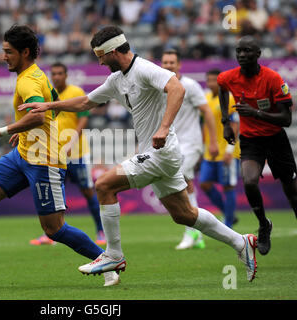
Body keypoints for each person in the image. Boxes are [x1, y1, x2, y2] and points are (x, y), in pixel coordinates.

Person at [19, 25, 258, 283]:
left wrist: (164, 127)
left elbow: (177, 88)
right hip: (158, 153)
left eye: (101, 55)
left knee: (104, 185)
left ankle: (113, 254)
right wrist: (48, 105)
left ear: (113, 51)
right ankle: (241, 242)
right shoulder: (116, 79)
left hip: (161, 152)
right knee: (184, 214)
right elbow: (86, 102)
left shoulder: (144, 68)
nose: (99, 61)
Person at [0, 25, 119, 288]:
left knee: (54, 230)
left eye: (8, 52)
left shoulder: (28, 80)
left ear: (24, 52)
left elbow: (40, 114)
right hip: (22, 154)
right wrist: (27, 134)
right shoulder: (36, 75)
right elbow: (51, 109)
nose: (4, 56)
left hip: (45, 162)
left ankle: (106, 260)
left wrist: (3, 130)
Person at [218, 36, 297, 256]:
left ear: (258, 54)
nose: (242, 55)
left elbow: (286, 119)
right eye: (239, 51)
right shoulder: (229, 77)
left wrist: (256, 113)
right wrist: (226, 122)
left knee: (292, 192)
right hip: (251, 141)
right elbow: (222, 88)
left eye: (248, 51)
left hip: (276, 140)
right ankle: (264, 225)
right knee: (250, 182)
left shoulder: (272, 79)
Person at [30, 62, 106, 246]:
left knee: (88, 191)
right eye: (53, 73)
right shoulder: (47, 95)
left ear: (66, 75)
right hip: (54, 155)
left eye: (59, 73)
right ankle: (51, 235)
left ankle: (101, 231)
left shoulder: (76, 92)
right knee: (54, 196)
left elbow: (83, 119)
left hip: (77, 153)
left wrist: (71, 141)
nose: (56, 77)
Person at [160, 49, 219, 250]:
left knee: (181, 177)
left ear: (179, 65)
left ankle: (191, 231)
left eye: (172, 62)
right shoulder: (160, 86)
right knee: (184, 182)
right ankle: (197, 231)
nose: (168, 65)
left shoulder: (191, 86)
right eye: (165, 62)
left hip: (191, 143)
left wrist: (212, 142)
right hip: (172, 143)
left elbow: (207, 113)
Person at [200, 69, 240, 229]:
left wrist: (230, 150)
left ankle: (228, 224)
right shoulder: (206, 98)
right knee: (204, 184)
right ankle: (228, 213)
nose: (211, 83)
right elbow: (204, 124)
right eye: (208, 80)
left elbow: (235, 125)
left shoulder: (229, 98)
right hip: (210, 152)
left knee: (228, 186)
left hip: (226, 152)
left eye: (214, 80)